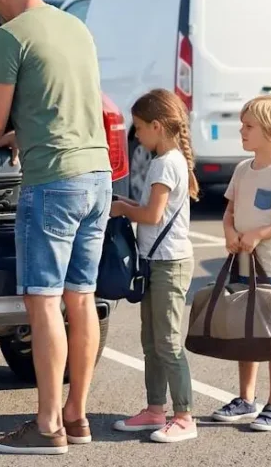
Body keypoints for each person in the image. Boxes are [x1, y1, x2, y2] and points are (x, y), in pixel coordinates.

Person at [0, 0, 111, 456]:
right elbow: (67, 101)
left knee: (41, 306)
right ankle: (76, 417)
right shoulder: (75, 27)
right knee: (80, 300)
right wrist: (26, 130)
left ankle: (45, 427)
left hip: (53, 184)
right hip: (98, 177)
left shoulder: (9, 35)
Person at [212, 95, 271, 432]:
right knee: (246, 333)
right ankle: (245, 399)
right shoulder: (242, 169)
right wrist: (228, 231)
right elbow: (229, 211)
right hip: (242, 266)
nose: (242, 130)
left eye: (249, 126)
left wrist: (259, 233)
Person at [109, 89, 200, 443]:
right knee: (151, 340)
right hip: (158, 261)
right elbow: (151, 210)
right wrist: (129, 202)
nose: (136, 135)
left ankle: (184, 415)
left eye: (140, 127)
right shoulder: (170, 159)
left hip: (170, 264)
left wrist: (122, 210)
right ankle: (154, 409)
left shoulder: (165, 163)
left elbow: (152, 215)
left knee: (166, 341)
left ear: (158, 126)